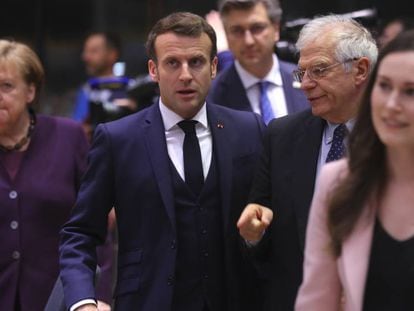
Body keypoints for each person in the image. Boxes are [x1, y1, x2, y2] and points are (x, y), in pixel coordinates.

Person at [59, 12, 265, 311]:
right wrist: (82, 302)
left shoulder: (249, 130)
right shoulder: (118, 139)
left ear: (214, 67)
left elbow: (270, 218)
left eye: (196, 62)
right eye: (172, 63)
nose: (185, 75)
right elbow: (79, 233)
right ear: (153, 70)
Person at [237, 14, 378, 310]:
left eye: (319, 70)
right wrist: (253, 235)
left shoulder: (396, 140)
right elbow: (260, 225)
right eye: (302, 73)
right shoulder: (282, 136)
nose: (306, 85)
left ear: (360, 69)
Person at [296, 29, 414, 311]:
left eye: (410, 91)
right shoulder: (336, 182)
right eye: (384, 86)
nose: (391, 104)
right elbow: (316, 301)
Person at [0, 39, 89, 310]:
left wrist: (98, 294)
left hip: (60, 297)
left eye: (6, 86)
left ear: (30, 91)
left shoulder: (69, 137)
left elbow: (96, 225)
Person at [208, 0, 308, 125]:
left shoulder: (306, 79)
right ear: (226, 35)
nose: (248, 41)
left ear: (276, 29)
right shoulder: (211, 96)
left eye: (257, 28)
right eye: (237, 31)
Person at [73, 31, 136, 139]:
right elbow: (77, 127)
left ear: (112, 55)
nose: (85, 57)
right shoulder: (86, 90)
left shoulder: (131, 88)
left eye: (93, 51)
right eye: (85, 51)